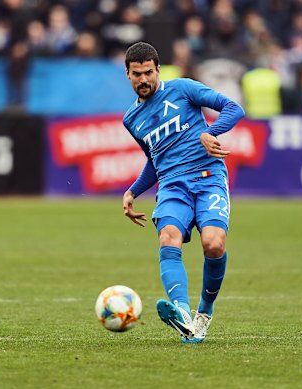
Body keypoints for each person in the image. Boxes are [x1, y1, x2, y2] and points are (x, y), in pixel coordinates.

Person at [121, 42, 245, 343]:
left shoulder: (183, 89)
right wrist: (133, 190)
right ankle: (183, 315)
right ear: (127, 75)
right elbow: (155, 159)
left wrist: (210, 133)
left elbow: (234, 108)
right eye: (137, 74)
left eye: (148, 72)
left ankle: (204, 313)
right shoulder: (131, 120)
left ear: (158, 70)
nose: (143, 79)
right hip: (173, 186)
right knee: (168, 238)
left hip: (208, 178)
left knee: (213, 244)